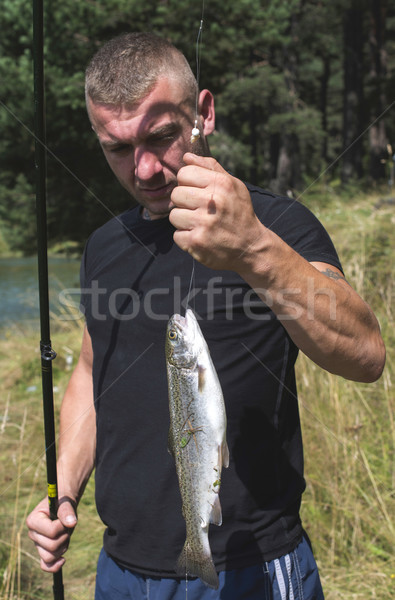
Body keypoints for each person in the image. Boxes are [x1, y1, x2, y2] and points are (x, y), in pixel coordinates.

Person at [26, 32, 386, 600]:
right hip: (121, 567)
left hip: (251, 564)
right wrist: (65, 489)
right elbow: (93, 374)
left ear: (204, 114)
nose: (144, 169)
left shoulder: (276, 225)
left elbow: (366, 356)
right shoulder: (105, 246)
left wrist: (253, 250)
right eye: (117, 148)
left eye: (162, 136)